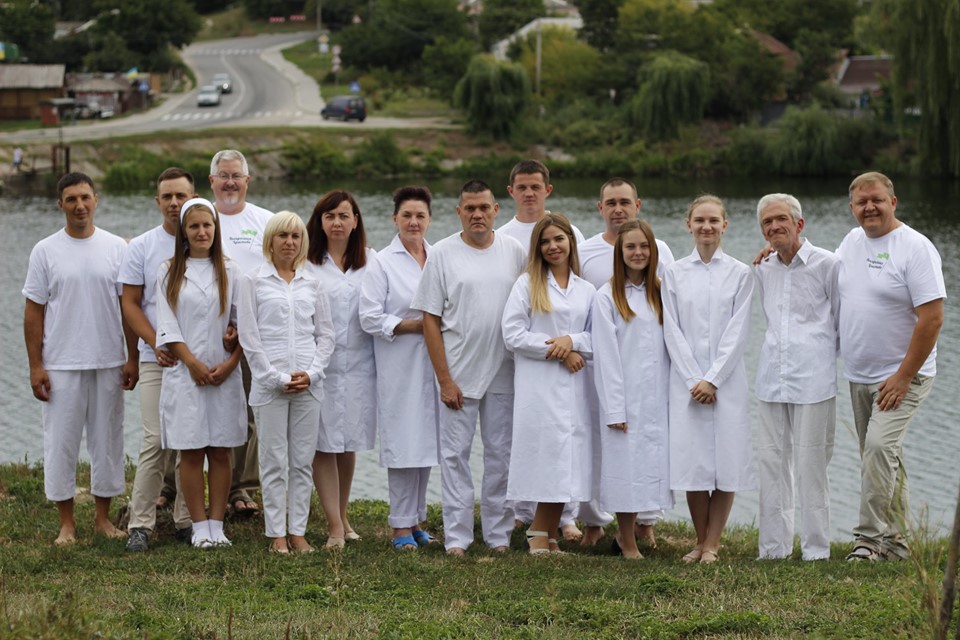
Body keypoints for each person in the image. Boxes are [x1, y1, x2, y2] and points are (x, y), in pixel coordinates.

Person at [22, 172, 138, 545]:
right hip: (60, 363)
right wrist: (35, 365)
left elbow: (129, 309)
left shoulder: (117, 248)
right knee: (62, 442)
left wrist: (132, 356)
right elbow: (33, 313)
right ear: (60, 205)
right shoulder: (45, 250)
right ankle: (67, 524)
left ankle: (103, 518)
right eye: (71, 199)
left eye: (85, 197)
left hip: (108, 360)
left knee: (107, 441)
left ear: (96, 199)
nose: (79, 206)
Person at [411, 180, 526, 556]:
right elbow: (429, 319)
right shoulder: (443, 254)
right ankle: (458, 537)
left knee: (500, 455)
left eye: (484, 208)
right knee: (455, 457)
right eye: (469, 208)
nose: (477, 214)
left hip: (505, 370)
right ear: (458, 212)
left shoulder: (514, 251)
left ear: (496, 210)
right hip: (457, 372)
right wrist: (444, 379)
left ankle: (498, 535)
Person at [839, 172, 945, 562]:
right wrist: (779, 251)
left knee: (880, 449)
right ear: (852, 208)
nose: (869, 207)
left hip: (903, 375)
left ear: (893, 202)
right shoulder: (851, 242)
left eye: (877, 200)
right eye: (861, 202)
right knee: (882, 456)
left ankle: (867, 541)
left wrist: (902, 376)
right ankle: (897, 544)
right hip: (860, 374)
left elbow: (932, 318)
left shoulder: (915, 248)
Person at [576, 177, 675, 547]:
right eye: (630, 248)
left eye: (642, 247)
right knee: (618, 462)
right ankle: (613, 532)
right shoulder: (606, 295)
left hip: (656, 390)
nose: (637, 252)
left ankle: (645, 524)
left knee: (652, 459)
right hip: (618, 390)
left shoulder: (661, 291)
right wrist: (614, 405)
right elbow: (606, 353)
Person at [661, 194, 755, 565]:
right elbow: (671, 328)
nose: (706, 227)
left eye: (714, 220)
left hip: (726, 383)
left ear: (724, 225)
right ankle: (700, 541)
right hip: (686, 383)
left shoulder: (740, 273)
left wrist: (713, 379)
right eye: (700, 220)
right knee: (694, 464)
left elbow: (739, 331)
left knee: (726, 463)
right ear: (689, 225)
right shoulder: (673, 273)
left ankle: (713, 543)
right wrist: (692, 378)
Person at [238, 211, 335, 554]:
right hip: (270, 387)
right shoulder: (253, 280)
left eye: (295, 236)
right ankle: (276, 534)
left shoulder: (313, 282)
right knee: (274, 460)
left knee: (301, 461)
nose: (289, 242)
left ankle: (298, 532)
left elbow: (326, 336)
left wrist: (312, 373)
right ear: (271, 240)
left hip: (309, 385)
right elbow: (250, 339)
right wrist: (275, 377)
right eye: (282, 236)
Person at [502, 214, 596, 555]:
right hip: (540, 385)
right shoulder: (528, 283)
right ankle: (537, 530)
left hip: (574, 385)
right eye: (545, 241)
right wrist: (557, 351)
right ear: (537, 248)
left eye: (559, 239)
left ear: (571, 241)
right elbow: (512, 334)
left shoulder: (586, 289)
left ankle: (550, 533)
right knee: (546, 455)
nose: (553, 246)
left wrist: (571, 340)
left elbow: (596, 335)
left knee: (567, 458)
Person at [754, 194, 839, 561]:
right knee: (771, 463)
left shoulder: (828, 264)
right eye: (766, 223)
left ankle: (816, 550)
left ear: (799, 224)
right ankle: (773, 549)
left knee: (811, 467)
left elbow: (842, 322)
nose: (774, 227)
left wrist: (821, 358)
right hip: (771, 378)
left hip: (814, 380)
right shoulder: (762, 267)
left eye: (780, 220)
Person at [156, 197, 245, 548]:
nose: (201, 231)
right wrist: (191, 363)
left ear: (215, 229)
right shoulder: (169, 270)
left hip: (224, 374)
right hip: (185, 373)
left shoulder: (231, 269)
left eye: (207, 225)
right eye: (194, 226)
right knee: (191, 451)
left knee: (221, 450)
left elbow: (243, 324)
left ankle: (217, 524)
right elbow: (166, 324)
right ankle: (198, 526)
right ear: (184, 231)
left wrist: (231, 362)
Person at [359, 186, 441, 551]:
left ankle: (417, 520)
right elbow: (369, 317)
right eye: (406, 215)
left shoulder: (438, 256)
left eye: (420, 216)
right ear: (395, 219)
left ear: (429, 219)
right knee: (404, 445)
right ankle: (399, 526)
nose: (413, 222)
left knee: (425, 446)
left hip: (435, 365)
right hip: (400, 364)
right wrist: (416, 325)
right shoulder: (382, 262)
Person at [121, 167, 197, 552]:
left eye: (180, 196)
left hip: (196, 359)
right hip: (156, 358)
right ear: (157, 202)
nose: (173, 203)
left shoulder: (203, 242)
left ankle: (187, 519)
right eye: (167, 196)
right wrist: (154, 344)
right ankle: (141, 523)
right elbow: (130, 304)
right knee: (155, 438)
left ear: (193, 198)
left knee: (190, 440)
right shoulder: (142, 247)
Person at [304, 190, 376, 550]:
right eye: (330, 216)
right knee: (323, 444)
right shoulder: (307, 262)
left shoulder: (371, 262)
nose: (337, 222)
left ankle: (343, 514)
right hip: (321, 367)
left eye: (344, 216)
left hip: (361, 366)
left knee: (348, 443)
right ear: (319, 221)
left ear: (355, 221)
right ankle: (333, 524)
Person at [208, 149, 274, 517]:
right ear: (212, 181)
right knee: (195, 409)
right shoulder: (200, 217)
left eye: (237, 176)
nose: (230, 182)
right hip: (202, 332)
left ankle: (242, 487)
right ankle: (172, 487)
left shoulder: (265, 221)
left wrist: (244, 325)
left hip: (251, 333)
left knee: (247, 410)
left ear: (248, 181)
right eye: (224, 176)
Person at [498, 159, 585, 249]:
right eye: (522, 188)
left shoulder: (569, 233)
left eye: (535, 187)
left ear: (548, 190)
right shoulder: (499, 238)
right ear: (511, 191)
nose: (529, 194)